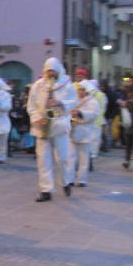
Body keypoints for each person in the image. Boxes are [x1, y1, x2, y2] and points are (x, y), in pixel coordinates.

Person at [27, 57, 77, 202]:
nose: (51, 74)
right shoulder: (38, 85)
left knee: (63, 158)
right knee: (43, 161)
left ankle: (66, 182)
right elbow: (31, 106)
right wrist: (37, 118)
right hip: (42, 127)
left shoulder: (67, 85)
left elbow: (74, 102)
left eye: (53, 71)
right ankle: (46, 190)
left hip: (59, 126)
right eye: (48, 71)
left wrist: (61, 103)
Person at [67, 80, 100, 187]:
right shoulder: (74, 100)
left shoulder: (93, 102)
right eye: (79, 89)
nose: (79, 91)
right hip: (73, 131)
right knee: (70, 157)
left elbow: (94, 115)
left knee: (84, 158)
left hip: (86, 132)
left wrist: (80, 113)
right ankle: (69, 179)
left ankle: (82, 180)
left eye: (82, 90)